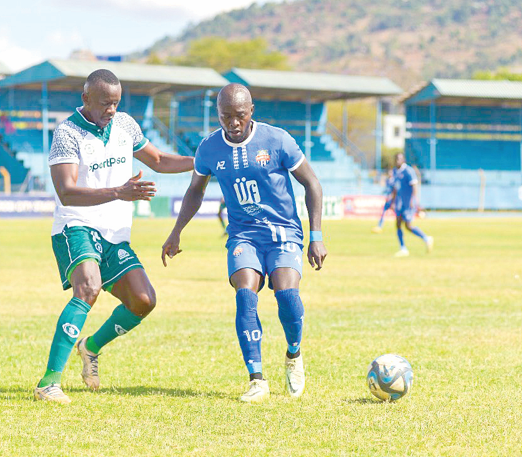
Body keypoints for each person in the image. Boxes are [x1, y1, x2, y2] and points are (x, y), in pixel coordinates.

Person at [34, 69, 194, 404]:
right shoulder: (67, 132)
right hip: (76, 225)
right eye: (105, 102)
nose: (111, 109)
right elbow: (66, 191)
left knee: (143, 301)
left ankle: (90, 347)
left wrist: (202, 162)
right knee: (88, 288)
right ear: (86, 99)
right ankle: (49, 383)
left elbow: (160, 160)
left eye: (116, 102)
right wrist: (119, 192)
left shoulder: (125, 125)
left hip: (114, 233)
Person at [161, 83, 327, 403]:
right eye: (226, 116)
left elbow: (312, 183)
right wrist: (176, 231)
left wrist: (316, 236)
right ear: (218, 115)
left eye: (239, 115)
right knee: (245, 293)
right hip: (243, 234)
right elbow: (195, 190)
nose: (233, 123)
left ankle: (293, 355)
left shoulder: (277, 140)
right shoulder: (209, 148)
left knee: (287, 293)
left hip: (283, 232)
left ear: (251, 111)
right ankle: (257, 379)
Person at [392, 153, 433, 257]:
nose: (397, 161)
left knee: (408, 226)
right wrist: (393, 201)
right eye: (396, 159)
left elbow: (414, 186)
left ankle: (426, 238)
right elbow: (396, 188)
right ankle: (403, 248)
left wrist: (413, 200)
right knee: (398, 224)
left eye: (399, 159)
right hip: (400, 203)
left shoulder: (408, 171)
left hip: (408, 203)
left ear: (403, 160)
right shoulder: (395, 171)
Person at [371, 168, 396, 234]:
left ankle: (401, 225)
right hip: (388, 200)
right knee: (383, 212)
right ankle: (379, 226)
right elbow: (387, 189)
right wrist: (383, 192)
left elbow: (395, 191)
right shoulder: (388, 181)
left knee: (397, 213)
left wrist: (391, 197)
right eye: (389, 172)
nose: (390, 173)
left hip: (393, 200)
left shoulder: (394, 181)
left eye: (391, 172)